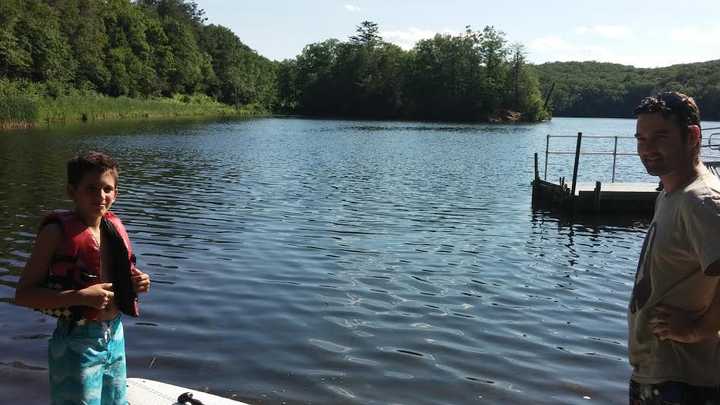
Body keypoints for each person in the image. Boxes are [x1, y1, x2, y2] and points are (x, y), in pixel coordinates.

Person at [15, 151, 151, 405]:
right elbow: (23, 295)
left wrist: (137, 282)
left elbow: (120, 278)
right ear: (71, 191)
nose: (100, 196)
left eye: (107, 189)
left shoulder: (112, 228)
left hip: (115, 334)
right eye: (90, 188)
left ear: (116, 193)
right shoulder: (55, 233)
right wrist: (79, 297)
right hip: (77, 342)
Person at [629, 91, 720, 404]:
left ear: (692, 136)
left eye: (660, 137)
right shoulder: (671, 194)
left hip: (682, 381)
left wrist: (699, 330)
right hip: (658, 373)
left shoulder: (701, 200)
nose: (647, 149)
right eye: (641, 139)